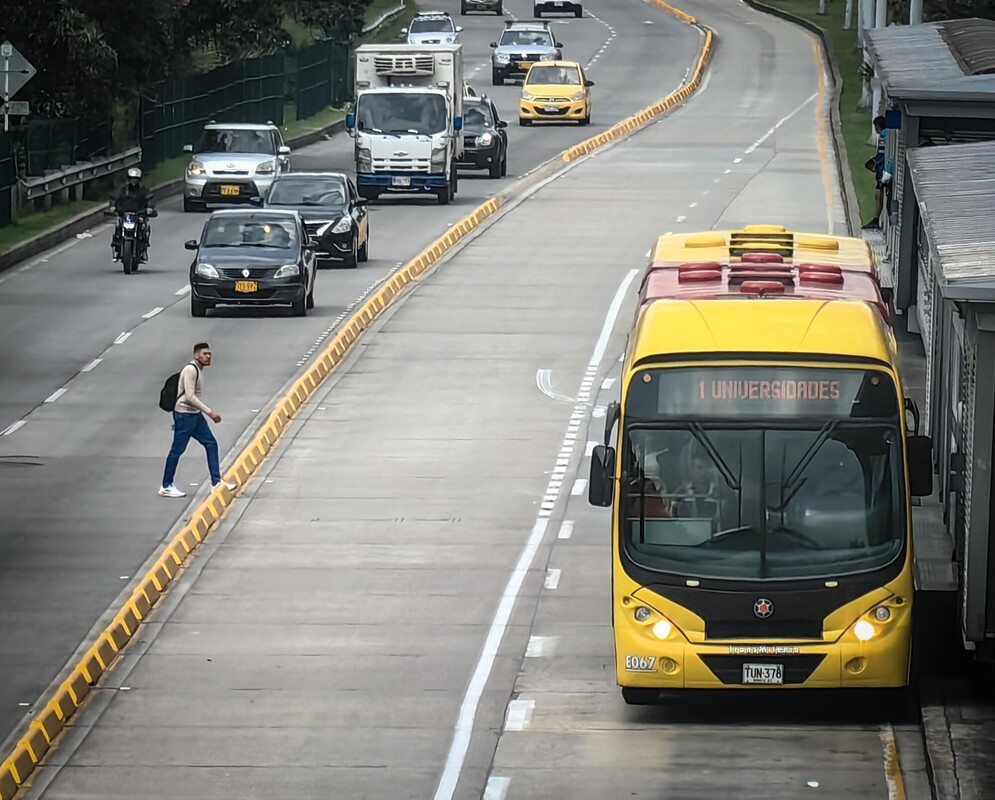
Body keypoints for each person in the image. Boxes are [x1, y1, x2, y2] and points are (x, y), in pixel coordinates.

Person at [159, 343, 236, 498]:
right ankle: (166, 485)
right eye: (204, 354)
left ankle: (216, 482)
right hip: (185, 415)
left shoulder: (198, 370)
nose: (208, 357)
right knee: (177, 450)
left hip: (194, 416)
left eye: (209, 354)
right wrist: (210, 412)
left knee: (211, 444)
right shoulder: (190, 370)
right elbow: (189, 396)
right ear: (196, 355)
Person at [113, 167, 154, 261]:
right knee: (118, 225)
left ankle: (143, 249)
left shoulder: (144, 191)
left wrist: (149, 208)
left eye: (135, 179)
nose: (133, 181)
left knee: (145, 227)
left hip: (138, 214)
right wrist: (113, 206)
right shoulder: (123, 190)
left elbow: (150, 199)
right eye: (132, 178)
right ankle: (117, 247)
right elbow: (115, 198)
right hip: (125, 214)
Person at [862, 116, 887, 230]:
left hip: (882, 171)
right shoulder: (888, 133)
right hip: (884, 170)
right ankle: (876, 219)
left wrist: (874, 164)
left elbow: (882, 155)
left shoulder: (883, 136)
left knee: (878, 195)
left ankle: (876, 220)